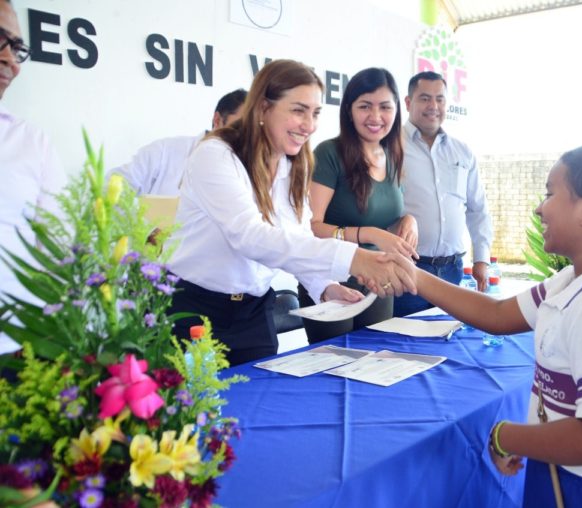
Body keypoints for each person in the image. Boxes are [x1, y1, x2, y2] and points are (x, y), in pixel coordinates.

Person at [387, 143, 582, 507]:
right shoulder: (576, 279)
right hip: (565, 474)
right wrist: (415, 276)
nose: (540, 207)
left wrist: (506, 436)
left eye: (551, 193)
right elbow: (498, 315)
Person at [166, 60, 415, 366]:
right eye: (299, 110)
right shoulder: (216, 154)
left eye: (315, 113)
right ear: (262, 108)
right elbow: (250, 237)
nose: (309, 125)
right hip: (195, 310)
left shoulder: (292, 164)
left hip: (254, 312)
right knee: (197, 410)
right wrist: (353, 257)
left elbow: (295, 236)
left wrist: (325, 287)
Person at [298, 67, 418, 343]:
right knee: (334, 369)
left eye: (385, 107)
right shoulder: (329, 153)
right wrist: (370, 234)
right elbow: (312, 227)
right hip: (330, 280)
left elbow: (385, 218)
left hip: (377, 280)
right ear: (349, 110)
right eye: (365, 106)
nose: (375, 117)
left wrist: (408, 220)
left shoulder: (392, 155)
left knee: (378, 361)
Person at [393, 71, 493, 317]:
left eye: (440, 99)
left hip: (453, 271)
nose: (433, 106)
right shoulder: (390, 148)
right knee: (404, 348)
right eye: (425, 98)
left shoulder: (462, 152)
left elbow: (477, 209)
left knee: (449, 345)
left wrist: (481, 259)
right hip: (408, 269)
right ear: (408, 103)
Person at [0, 0, 66, 355]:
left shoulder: (32, 142)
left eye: (17, 47)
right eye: (0, 39)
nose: (10, 59)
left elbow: (56, 249)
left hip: (15, 348)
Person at [109, 88, 247, 196]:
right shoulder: (164, 152)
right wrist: (144, 226)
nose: (248, 135)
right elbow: (111, 188)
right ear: (217, 120)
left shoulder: (249, 170)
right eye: (241, 126)